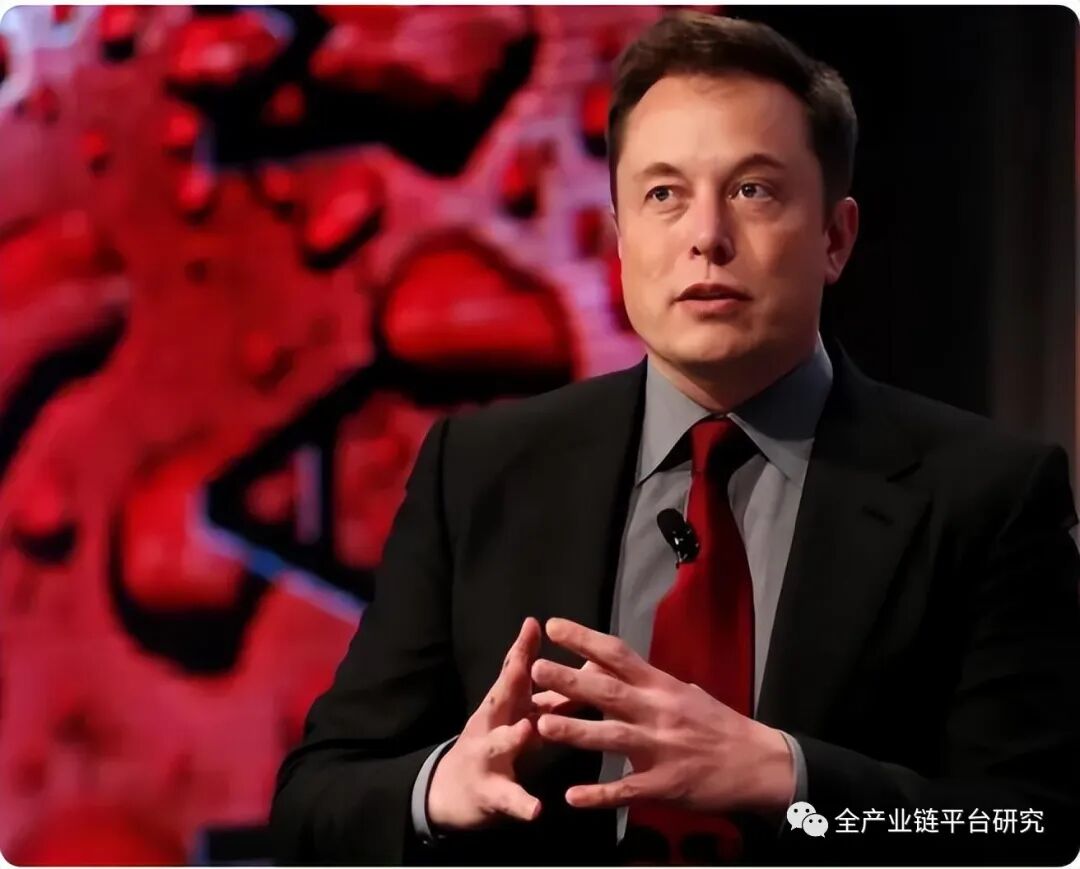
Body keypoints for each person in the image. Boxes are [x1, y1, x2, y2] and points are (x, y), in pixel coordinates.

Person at [269, 12, 1080, 865]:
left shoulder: (986, 496)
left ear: (835, 238)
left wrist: (793, 781)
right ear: (620, 241)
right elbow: (312, 804)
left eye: (753, 190)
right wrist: (443, 786)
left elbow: (1035, 827)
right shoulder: (477, 474)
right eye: (663, 195)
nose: (706, 237)